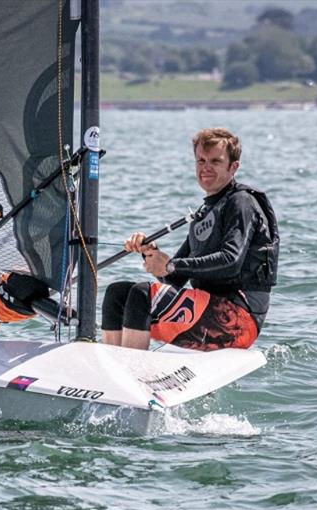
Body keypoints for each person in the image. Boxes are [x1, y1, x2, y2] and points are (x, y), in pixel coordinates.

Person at [101, 127, 279, 351]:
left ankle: (131, 369)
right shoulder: (204, 213)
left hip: (239, 320)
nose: (205, 168)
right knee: (117, 293)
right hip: (206, 310)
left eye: (215, 161)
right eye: (200, 161)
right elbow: (173, 279)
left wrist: (170, 265)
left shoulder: (241, 202)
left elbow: (231, 261)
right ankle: (111, 365)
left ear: (233, 167)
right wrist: (152, 252)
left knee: (142, 294)